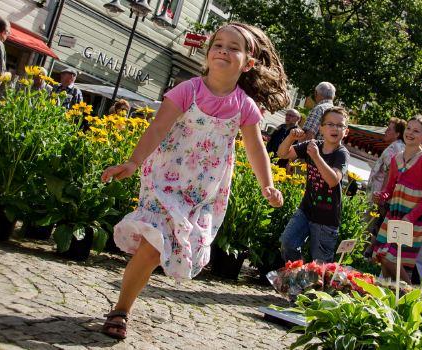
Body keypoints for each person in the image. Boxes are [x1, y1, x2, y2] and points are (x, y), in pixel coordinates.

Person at [93, 22, 290, 340]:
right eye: (217, 44)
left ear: (248, 64)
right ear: (208, 53)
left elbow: (255, 149)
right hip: (165, 180)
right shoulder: (188, 90)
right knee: (151, 248)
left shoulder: (245, 106)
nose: (223, 50)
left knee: (174, 247)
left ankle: (127, 302)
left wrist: (267, 184)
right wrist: (133, 161)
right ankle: (121, 310)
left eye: (233, 47)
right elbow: (157, 129)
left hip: (202, 192)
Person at [372, 115, 422, 288]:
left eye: (416, 131)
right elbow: (390, 189)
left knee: (390, 258)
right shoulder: (396, 158)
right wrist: (381, 196)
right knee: (382, 256)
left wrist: (411, 217)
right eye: (409, 128)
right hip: (395, 214)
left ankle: (409, 295)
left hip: (412, 218)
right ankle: (390, 297)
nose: (410, 133)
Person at [275, 106, 350, 264]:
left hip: (327, 218)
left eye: (340, 125)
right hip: (306, 209)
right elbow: (282, 154)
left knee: (321, 262)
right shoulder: (313, 144)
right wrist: (290, 138)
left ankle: (317, 287)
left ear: (346, 132)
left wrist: (316, 157)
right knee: (287, 242)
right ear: (321, 129)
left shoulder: (341, 153)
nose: (334, 128)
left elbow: (333, 180)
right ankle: (299, 278)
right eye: (330, 124)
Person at [364, 118, 406, 237]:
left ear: (397, 134)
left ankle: (357, 254)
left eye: (389, 129)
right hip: (381, 197)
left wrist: (382, 196)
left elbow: (390, 171)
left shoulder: (394, 148)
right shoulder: (400, 147)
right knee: (378, 230)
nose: (385, 131)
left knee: (366, 228)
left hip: (378, 198)